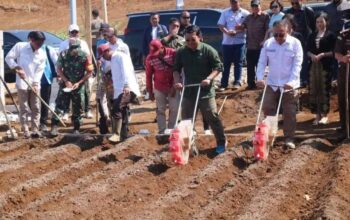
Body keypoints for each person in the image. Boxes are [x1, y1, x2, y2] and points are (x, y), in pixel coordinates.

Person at [173, 25, 227, 154]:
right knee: (186, 120)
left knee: (211, 116)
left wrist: (208, 78)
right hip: (188, 91)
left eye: (193, 39)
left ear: (200, 38)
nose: (190, 43)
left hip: (205, 91)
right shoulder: (181, 52)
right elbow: (176, 69)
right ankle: (189, 145)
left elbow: (218, 67)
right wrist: (177, 82)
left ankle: (221, 141)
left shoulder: (209, 50)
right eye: (187, 40)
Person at [256, 20, 303, 149]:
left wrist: (291, 82)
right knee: (268, 109)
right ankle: (270, 137)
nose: (278, 38)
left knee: (289, 112)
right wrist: (260, 78)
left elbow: (297, 65)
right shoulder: (268, 43)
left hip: (289, 85)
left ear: (288, 31)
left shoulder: (295, 43)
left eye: (281, 35)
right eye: (275, 34)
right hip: (271, 83)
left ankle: (289, 138)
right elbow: (261, 62)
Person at [5, 31, 46, 138]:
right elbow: (8, 58)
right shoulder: (20, 47)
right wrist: (17, 68)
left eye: (41, 43)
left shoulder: (41, 53)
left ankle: (35, 130)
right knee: (24, 108)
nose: (39, 46)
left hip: (35, 84)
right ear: (31, 40)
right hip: (22, 83)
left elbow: (40, 70)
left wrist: (36, 83)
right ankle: (25, 130)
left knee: (36, 107)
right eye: (38, 43)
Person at [99, 44, 141, 143]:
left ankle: (116, 134)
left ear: (107, 51)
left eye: (103, 56)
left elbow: (126, 71)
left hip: (127, 89)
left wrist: (126, 85)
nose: (103, 58)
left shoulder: (119, 56)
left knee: (116, 108)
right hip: (119, 90)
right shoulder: (113, 59)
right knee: (122, 110)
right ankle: (123, 135)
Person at [51, 38, 93, 135]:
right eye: (72, 48)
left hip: (79, 85)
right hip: (65, 84)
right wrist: (66, 81)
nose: (74, 51)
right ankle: (54, 126)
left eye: (76, 48)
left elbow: (89, 72)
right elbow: (59, 69)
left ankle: (76, 127)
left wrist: (79, 83)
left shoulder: (85, 56)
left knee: (77, 106)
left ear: (79, 47)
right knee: (60, 104)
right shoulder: (63, 54)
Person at [96, 27, 131, 134]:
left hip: (119, 77)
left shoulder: (123, 47)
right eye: (106, 36)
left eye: (110, 36)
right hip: (107, 76)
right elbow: (101, 59)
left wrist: (127, 82)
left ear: (115, 35)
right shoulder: (106, 47)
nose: (108, 38)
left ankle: (123, 129)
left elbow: (128, 63)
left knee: (121, 102)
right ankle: (112, 126)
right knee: (110, 102)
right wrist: (99, 63)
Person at [59, 24, 94, 120]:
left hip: (81, 73)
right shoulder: (63, 44)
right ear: (69, 33)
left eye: (76, 32)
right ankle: (66, 112)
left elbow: (88, 57)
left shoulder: (83, 43)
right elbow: (60, 61)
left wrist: (89, 70)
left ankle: (87, 110)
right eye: (72, 32)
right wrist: (62, 77)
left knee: (86, 92)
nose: (74, 33)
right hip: (67, 73)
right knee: (66, 94)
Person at [307, 13, 336, 125]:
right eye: (317, 22)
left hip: (325, 66)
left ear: (326, 22)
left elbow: (334, 51)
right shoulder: (311, 35)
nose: (319, 24)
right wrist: (312, 55)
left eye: (321, 21)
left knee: (324, 89)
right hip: (313, 67)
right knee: (314, 89)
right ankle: (316, 115)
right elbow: (307, 50)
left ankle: (324, 115)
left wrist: (323, 54)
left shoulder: (331, 35)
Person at [145, 40, 178, 134]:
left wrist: (174, 86)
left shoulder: (173, 53)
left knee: (174, 108)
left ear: (162, 48)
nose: (155, 55)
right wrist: (150, 91)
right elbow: (148, 75)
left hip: (173, 85)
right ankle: (162, 131)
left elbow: (178, 70)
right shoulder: (150, 58)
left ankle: (171, 130)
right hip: (159, 87)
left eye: (156, 52)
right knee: (160, 109)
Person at [237, 0, 269, 90]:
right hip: (250, 46)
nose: (255, 8)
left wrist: (265, 40)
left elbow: (268, 29)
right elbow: (243, 26)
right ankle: (251, 84)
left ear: (260, 5)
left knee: (260, 66)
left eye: (256, 6)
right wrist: (238, 27)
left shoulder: (265, 16)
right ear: (251, 7)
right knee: (250, 66)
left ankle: (260, 84)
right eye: (253, 6)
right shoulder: (249, 17)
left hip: (260, 46)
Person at [217, 0, 249, 91]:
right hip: (227, 42)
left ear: (239, 2)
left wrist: (238, 31)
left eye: (235, 1)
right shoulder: (225, 12)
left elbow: (247, 26)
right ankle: (224, 83)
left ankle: (237, 82)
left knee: (238, 63)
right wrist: (227, 32)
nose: (234, 4)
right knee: (226, 63)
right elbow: (220, 25)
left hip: (240, 41)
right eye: (232, 2)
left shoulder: (245, 13)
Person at [285, 0, 315, 87]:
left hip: (305, 39)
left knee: (304, 60)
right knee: (292, 60)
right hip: (293, 38)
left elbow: (312, 27)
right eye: (292, 3)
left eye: (296, 3)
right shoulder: (289, 12)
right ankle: (293, 79)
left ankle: (304, 80)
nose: (294, 5)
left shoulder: (308, 10)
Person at [334, 25, 350, 141]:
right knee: (344, 99)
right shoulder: (343, 35)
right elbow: (337, 54)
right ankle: (345, 129)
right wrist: (343, 58)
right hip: (345, 73)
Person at [39, 43, 58, 132]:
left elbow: (56, 62)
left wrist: (59, 74)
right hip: (32, 79)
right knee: (34, 102)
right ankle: (36, 122)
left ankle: (43, 122)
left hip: (46, 79)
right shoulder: (29, 49)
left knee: (45, 101)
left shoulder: (48, 49)